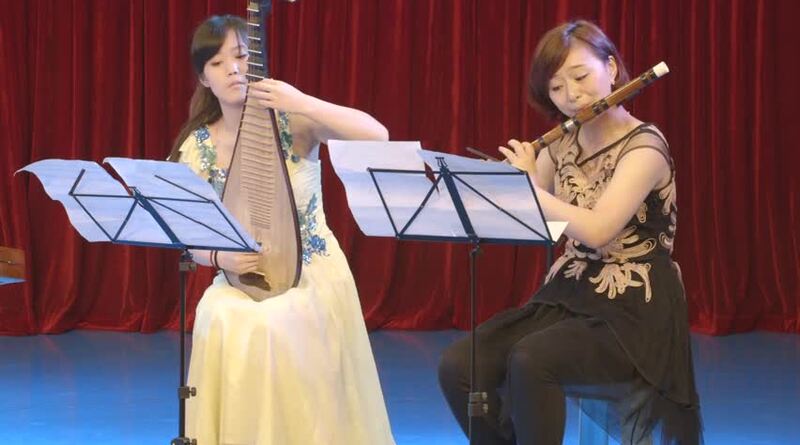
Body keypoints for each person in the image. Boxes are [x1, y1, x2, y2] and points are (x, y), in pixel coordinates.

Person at [438, 20, 702, 445]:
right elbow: (532, 220)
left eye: (580, 77)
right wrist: (495, 187)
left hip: (634, 309)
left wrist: (530, 190)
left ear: (611, 69)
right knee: (459, 365)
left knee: (531, 360)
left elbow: (598, 230)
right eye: (556, 88)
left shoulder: (646, 147)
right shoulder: (563, 144)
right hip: (569, 296)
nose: (571, 95)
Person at [167, 15, 395, 445]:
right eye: (217, 63)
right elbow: (188, 234)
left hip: (312, 272)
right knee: (218, 311)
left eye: (241, 56)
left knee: (275, 323)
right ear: (203, 78)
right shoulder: (199, 146)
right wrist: (219, 257)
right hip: (242, 275)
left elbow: (377, 135)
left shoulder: (294, 122)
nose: (233, 69)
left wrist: (302, 101)